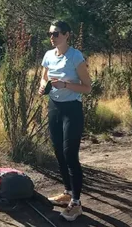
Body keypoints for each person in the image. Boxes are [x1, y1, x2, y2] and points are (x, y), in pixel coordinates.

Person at [37, 20, 92, 222]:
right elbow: (44, 77)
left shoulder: (75, 56)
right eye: (50, 33)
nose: (52, 37)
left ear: (67, 35)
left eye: (57, 33)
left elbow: (87, 87)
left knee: (70, 154)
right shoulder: (48, 55)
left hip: (72, 110)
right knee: (59, 151)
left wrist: (65, 84)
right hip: (54, 108)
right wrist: (44, 86)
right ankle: (68, 192)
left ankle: (76, 204)